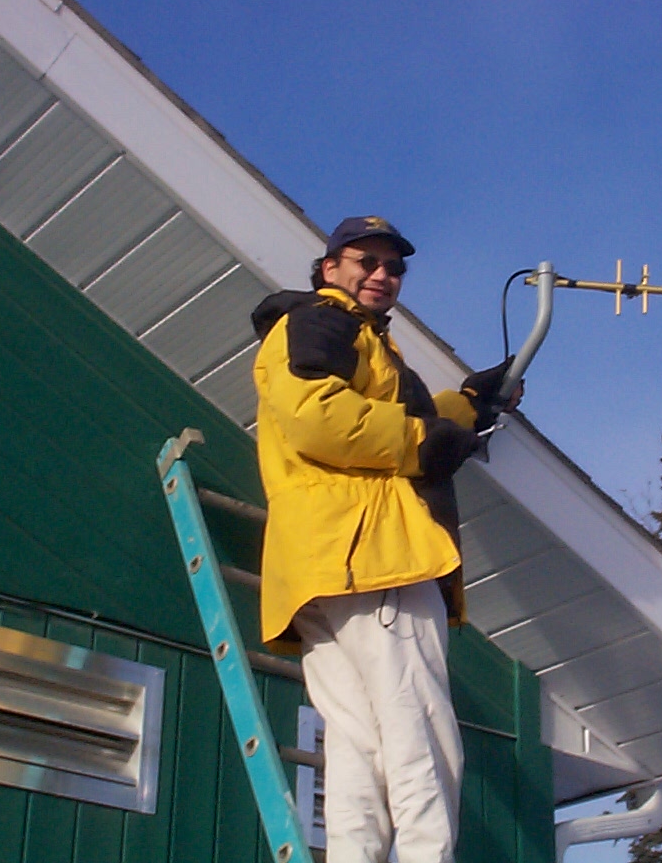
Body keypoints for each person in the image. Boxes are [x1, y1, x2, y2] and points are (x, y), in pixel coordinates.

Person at [250, 216, 520, 863]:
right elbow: (319, 417)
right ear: (329, 268)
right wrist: (422, 443)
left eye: (393, 267)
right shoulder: (322, 322)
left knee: (356, 740)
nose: (381, 274)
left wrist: (467, 405)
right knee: (417, 725)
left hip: (322, 562)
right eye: (364, 260)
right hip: (372, 553)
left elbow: (400, 417)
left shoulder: (357, 341)